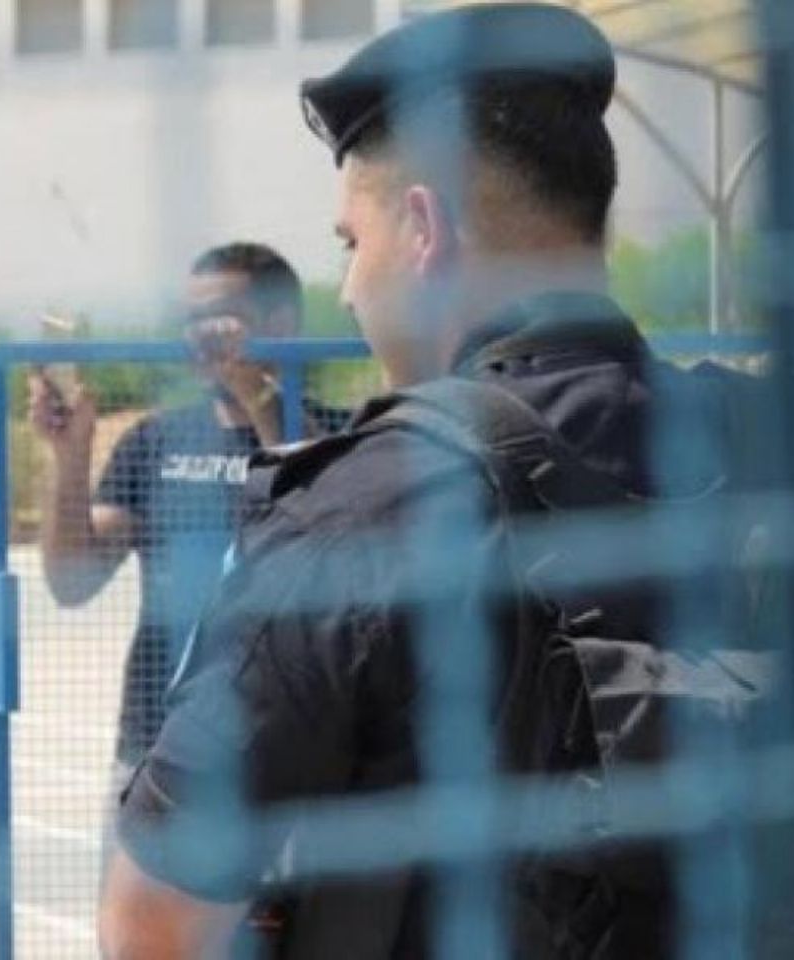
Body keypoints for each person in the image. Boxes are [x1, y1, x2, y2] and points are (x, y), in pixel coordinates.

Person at [102, 5, 758, 957]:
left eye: (349, 243)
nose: (347, 288)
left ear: (422, 228)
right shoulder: (767, 443)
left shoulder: (367, 506)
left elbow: (151, 925)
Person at [28, 242, 344, 789]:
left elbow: (322, 520)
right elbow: (71, 581)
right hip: (159, 750)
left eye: (217, 317)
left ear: (281, 324)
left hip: (285, 753)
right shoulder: (154, 440)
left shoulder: (340, 434)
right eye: (189, 319)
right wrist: (69, 453)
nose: (198, 335)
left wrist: (257, 395)